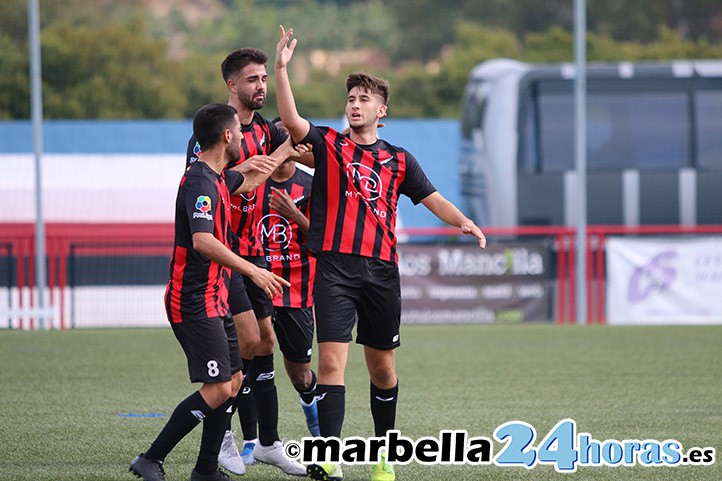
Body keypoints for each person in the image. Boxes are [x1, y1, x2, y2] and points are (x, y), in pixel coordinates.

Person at [275, 26, 487, 481]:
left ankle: (384, 459)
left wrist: (463, 220)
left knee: (383, 368)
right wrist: (281, 70)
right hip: (333, 268)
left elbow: (431, 198)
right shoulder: (329, 146)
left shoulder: (399, 160)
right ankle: (328, 456)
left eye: (364, 98)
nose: (355, 104)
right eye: (351, 97)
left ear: (381, 111)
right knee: (331, 362)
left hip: (380, 273)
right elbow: (292, 123)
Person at [129, 103, 290, 481]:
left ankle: (205, 471)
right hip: (193, 300)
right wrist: (252, 269)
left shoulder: (216, 176)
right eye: (238, 131)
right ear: (228, 136)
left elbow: (249, 178)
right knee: (219, 388)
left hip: (215, 298)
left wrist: (287, 149)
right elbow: (202, 241)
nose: (242, 136)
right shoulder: (201, 182)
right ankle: (150, 458)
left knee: (233, 381)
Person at [185, 47, 307, 477]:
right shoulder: (215, 135)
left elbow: (305, 151)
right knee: (245, 349)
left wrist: (328, 145)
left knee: (263, 344)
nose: (261, 86)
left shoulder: (270, 133)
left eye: (264, 79)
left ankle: (269, 442)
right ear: (232, 85)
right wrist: (254, 171)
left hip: (255, 251)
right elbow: (209, 188)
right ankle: (225, 438)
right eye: (253, 79)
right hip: (226, 255)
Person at [258, 118, 319, 436]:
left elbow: (323, 241)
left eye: (291, 134)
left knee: (300, 375)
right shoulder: (254, 181)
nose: (286, 140)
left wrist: (295, 215)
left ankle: (317, 428)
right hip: (257, 289)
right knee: (249, 365)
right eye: (280, 134)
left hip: (297, 292)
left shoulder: (312, 184)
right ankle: (254, 442)